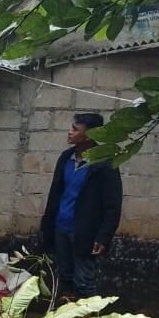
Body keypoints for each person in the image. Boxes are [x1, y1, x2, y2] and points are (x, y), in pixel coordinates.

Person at [41, 112, 122, 299]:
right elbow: (56, 193)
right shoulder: (66, 158)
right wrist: (48, 224)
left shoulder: (104, 164)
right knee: (65, 276)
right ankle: (67, 312)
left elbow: (112, 204)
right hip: (61, 227)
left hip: (86, 233)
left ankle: (86, 315)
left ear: (89, 135)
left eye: (75, 129)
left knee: (84, 281)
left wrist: (103, 236)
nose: (70, 132)